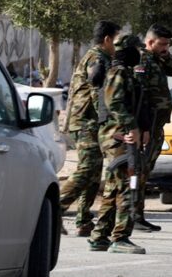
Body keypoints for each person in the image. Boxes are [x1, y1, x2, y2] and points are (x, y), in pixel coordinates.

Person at [88, 34, 149, 255]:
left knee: (114, 187)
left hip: (118, 134)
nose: (139, 54)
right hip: (119, 136)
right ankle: (120, 237)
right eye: (137, 50)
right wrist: (131, 127)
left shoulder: (124, 72)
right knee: (127, 185)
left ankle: (99, 236)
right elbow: (114, 102)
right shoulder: (118, 72)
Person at [59, 20, 121, 237]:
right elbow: (97, 92)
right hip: (86, 122)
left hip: (91, 121)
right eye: (116, 40)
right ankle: (55, 209)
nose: (118, 46)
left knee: (94, 173)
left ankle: (84, 220)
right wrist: (109, 121)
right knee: (87, 169)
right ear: (107, 39)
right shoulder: (98, 58)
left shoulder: (102, 57)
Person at [132, 24, 172, 232]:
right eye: (162, 44)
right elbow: (139, 95)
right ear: (150, 42)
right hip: (146, 125)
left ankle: (138, 214)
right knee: (139, 171)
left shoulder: (158, 58)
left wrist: (164, 54)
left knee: (145, 170)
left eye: (168, 44)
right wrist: (142, 126)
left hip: (156, 125)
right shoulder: (140, 60)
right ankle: (133, 215)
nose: (165, 48)